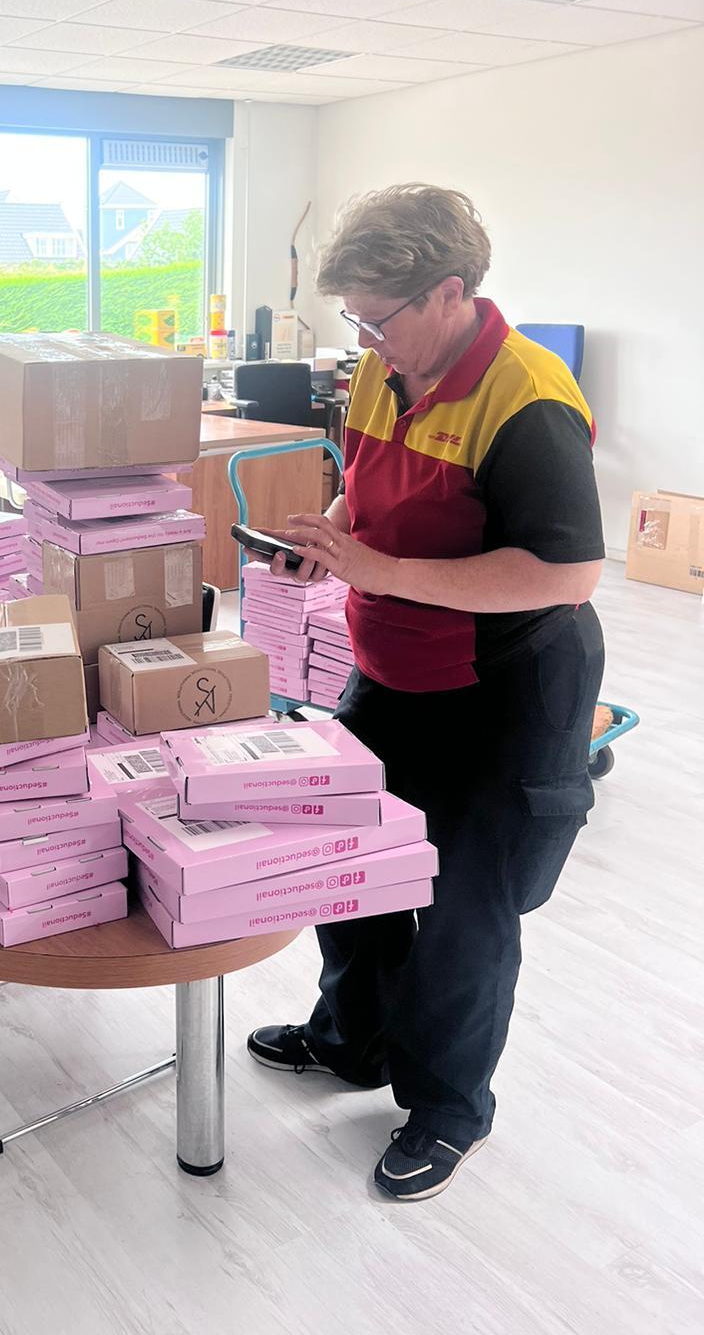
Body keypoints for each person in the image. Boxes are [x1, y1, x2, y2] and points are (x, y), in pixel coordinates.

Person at [247, 185, 605, 1201]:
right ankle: (352, 1040)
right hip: (393, 661)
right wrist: (330, 539)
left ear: (450, 292)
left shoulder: (529, 396)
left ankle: (450, 1107)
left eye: (379, 317)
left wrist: (382, 570)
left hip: (503, 684)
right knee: (346, 859)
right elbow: (363, 487)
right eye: (354, 318)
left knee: (462, 905)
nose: (366, 339)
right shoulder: (382, 369)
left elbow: (566, 573)